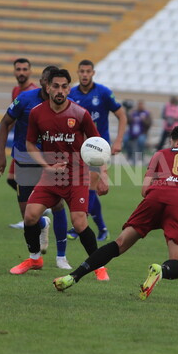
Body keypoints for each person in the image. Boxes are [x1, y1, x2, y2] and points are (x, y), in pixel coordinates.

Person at [52, 125, 178, 300]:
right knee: (177, 264)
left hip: (154, 199)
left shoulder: (161, 154)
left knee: (120, 243)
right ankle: (160, 270)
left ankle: (74, 276)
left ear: (177, 141)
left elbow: (145, 190)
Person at [12, 68, 103, 276]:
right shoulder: (37, 113)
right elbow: (30, 143)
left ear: (69, 89)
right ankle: (35, 259)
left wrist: (101, 174)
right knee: (30, 216)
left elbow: (96, 144)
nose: (60, 91)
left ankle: (99, 266)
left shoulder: (81, 114)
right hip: (50, 175)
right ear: (47, 87)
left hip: (77, 176)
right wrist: (46, 166)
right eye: (55, 86)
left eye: (64, 87)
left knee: (79, 222)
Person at [0, 66, 77, 274]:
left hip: (51, 159)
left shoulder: (62, 104)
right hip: (25, 159)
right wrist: (1, 155)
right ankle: (42, 226)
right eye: (47, 82)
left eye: (54, 84)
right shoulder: (25, 99)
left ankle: (61, 257)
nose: (49, 86)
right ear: (44, 83)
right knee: (27, 214)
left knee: (58, 205)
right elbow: (5, 123)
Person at [67, 59, 127, 243]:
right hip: (77, 146)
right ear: (78, 73)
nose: (85, 74)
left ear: (93, 73)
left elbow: (121, 115)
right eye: (82, 71)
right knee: (82, 189)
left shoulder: (103, 93)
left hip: (98, 148)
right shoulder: (71, 93)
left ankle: (79, 226)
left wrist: (118, 141)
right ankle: (102, 228)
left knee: (90, 185)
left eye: (88, 71)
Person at [5, 58, 40, 218]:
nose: (21, 72)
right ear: (14, 71)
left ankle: (33, 213)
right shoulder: (15, 91)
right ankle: (35, 210)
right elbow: (12, 117)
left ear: (30, 71)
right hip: (20, 146)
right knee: (12, 179)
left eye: (24, 69)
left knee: (22, 182)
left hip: (31, 149)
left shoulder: (33, 93)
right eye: (18, 69)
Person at [124, 100, 152, 166]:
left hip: (142, 133)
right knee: (125, 139)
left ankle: (140, 157)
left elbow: (149, 124)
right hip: (131, 133)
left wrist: (144, 120)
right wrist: (127, 112)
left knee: (141, 141)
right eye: (139, 105)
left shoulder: (147, 113)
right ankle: (129, 155)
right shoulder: (134, 113)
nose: (140, 106)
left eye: (141, 105)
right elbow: (128, 121)